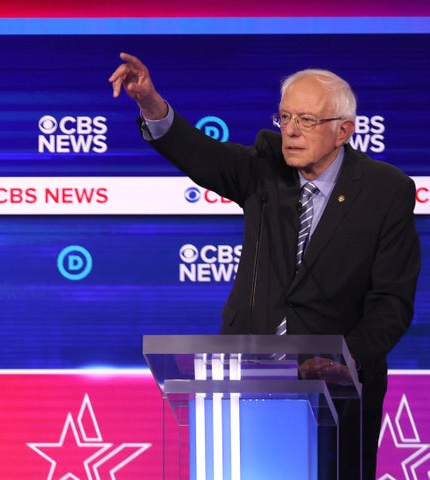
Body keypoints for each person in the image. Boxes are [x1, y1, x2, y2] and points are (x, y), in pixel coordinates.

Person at [109, 52, 421, 479]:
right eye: (285, 117)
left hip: (338, 391)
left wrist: (347, 359)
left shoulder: (386, 191)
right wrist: (150, 103)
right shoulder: (265, 169)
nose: (291, 131)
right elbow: (199, 153)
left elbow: (392, 303)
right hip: (248, 378)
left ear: (343, 131)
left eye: (307, 121)